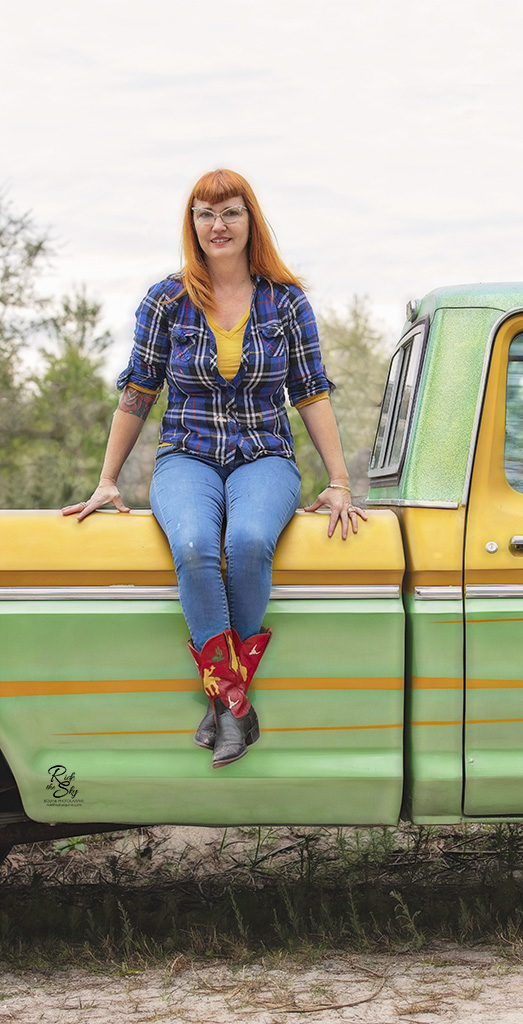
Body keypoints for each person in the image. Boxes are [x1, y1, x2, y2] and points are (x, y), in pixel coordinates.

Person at [62, 169, 366, 769]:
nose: (217, 225)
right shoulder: (166, 300)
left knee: (250, 541)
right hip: (187, 456)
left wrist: (339, 481)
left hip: (265, 455)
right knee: (198, 543)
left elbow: (311, 393)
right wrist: (107, 480)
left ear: (251, 219)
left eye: (229, 211)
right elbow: (137, 392)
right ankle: (235, 704)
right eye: (205, 213)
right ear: (191, 224)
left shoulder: (286, 299)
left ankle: (223, 703)